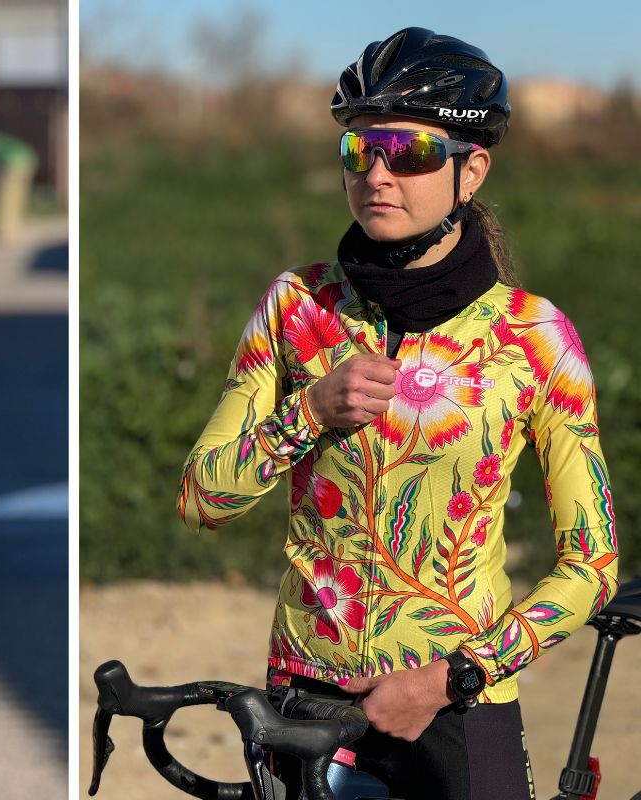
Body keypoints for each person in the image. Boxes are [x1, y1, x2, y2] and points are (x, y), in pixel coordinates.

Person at [177, 27, 618, 800]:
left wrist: (454, 677)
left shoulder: (535, 337)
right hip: (306, 696)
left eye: (409, 153)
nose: (377, 174)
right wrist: (308, 412)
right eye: (359, 150)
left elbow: (593, 564)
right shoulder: (296, 306)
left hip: (464, 700)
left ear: (470, 170)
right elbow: (200, 499)